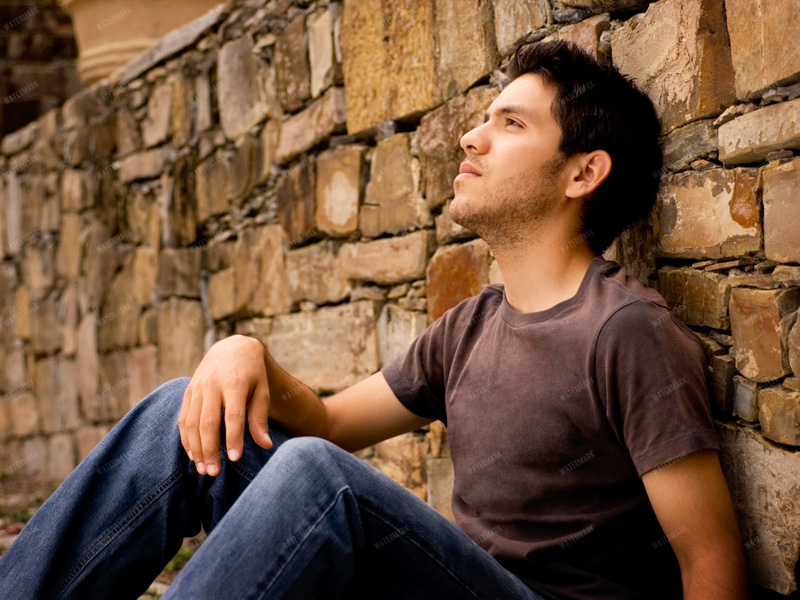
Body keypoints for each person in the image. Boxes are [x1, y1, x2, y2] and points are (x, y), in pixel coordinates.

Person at [0, 39, 751, 600]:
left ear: (583, 172)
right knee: (184, 411)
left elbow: (711, 563)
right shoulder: (471, 327)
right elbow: (328, 424)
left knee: (320, 481)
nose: (472, 137)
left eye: (512, 123)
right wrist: (243, 351)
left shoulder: (625, 330)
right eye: (484, 119)